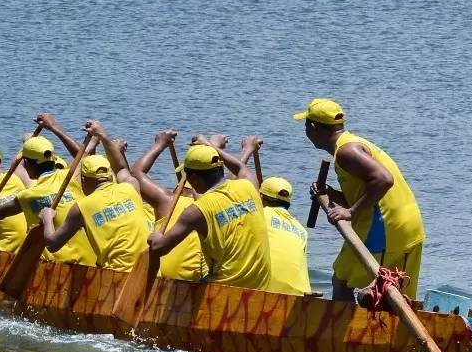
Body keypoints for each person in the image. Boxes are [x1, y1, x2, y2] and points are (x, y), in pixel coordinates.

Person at [294, 98, 425, 304]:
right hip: (409, 225)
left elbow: (383, 179)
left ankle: (347, 335)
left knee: (342, 281)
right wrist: (331, 193)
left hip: (386, 228)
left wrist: (351, 212)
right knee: (396, 293)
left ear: (312, 127)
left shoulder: (346, 151)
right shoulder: (353, 143)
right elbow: (367, 193)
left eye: (305, 125)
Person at [147, 142, 272, 291]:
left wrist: (154, 238)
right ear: (220, 168)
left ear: (193, 178)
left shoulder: (196, 211)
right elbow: (240, 167)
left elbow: (159, 248)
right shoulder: (250, 185)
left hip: (223, 289)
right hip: (260, 286)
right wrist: (209, 144)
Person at [40, 121, 148, 271]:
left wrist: (47, 218)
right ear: (110, 175)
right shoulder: (131, 187)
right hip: (149, 270)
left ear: (83, 179)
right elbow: (122, 167)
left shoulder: (81, 207)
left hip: (116, 276)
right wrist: (103, 136)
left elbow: (52, 244)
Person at [0, 130, 89, 264]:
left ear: (27, 164)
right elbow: (83, 157)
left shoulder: (27, 196)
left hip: (55, 266)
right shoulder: (72, 177)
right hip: (89, 261)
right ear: (54, 159)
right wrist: (54, 127)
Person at [129, 129, 207, 282]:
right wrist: (212, 146)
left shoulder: (167, 201)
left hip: (166, 281)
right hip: (200, 280)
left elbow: (137, 172)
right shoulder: (215, 201)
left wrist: (160, 144)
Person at [258, 177, 312, 296]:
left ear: (261, 197)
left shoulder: (258, 215)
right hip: (300, 295)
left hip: (265, 292)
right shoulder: (302, 230)